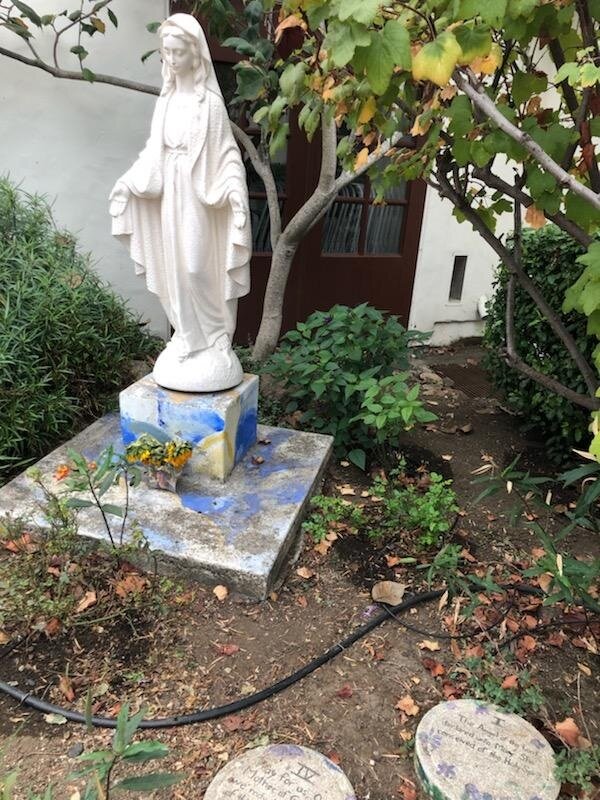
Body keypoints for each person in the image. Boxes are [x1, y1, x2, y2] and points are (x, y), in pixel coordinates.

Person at [109, 13, 251, 392]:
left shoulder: (210, 105)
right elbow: (153, 154)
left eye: (178, 52)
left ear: (195, 54)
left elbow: (227, 154)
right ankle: (187, 337)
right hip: (170, 194)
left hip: (199, 194)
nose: (171, 60)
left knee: (196, 266)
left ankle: (217, 336)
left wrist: (234, 191)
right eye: (166, 52)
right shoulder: (167, 100)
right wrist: (129, 183)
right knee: (174, 269)